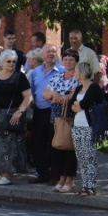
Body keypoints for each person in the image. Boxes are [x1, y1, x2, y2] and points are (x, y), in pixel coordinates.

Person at [0, 49, 33, 185]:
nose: (11, 64)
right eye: (9, 61)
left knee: (10, 145)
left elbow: (28, 96)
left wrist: (20, 111)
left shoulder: (20, 77)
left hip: (12, 116)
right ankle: (0, 172)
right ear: (1, 62)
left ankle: (7, 174)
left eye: (14, 61)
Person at [42, 49, 80, 193]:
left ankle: (69, 180)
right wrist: (53, 94)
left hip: (70, 117)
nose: (68, 62)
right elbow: (45, 94)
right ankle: (60, 178)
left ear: (76, 61)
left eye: (71, 59)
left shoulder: (77, 77)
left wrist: (56, 97)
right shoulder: (57, 76)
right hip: (56, 117)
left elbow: (72, 97)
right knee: (57, 147)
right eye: (66, 59)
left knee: (68, 148)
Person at [28, 44, 64, 184]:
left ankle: (55, 174)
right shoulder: (36, 72)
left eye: (53, 52)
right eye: (48, 51)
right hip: (39, 111)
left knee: (54, 143)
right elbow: (31, 91)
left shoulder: (61, 71)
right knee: (38, 143)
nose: (51, 54)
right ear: (42, 55)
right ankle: (42, 173)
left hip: (54, 110)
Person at [69, 61, 105, 196]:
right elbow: (71, 106)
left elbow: (84, 105)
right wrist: (77, 105)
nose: (74, 73)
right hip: (77, 126)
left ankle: (91, 186)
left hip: (88, 126)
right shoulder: (79, 88)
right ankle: (85, 184)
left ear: (82, 72)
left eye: (76, 71)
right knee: (81, 157)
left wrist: (78, 105)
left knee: (89, 156)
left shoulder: (93, 87)